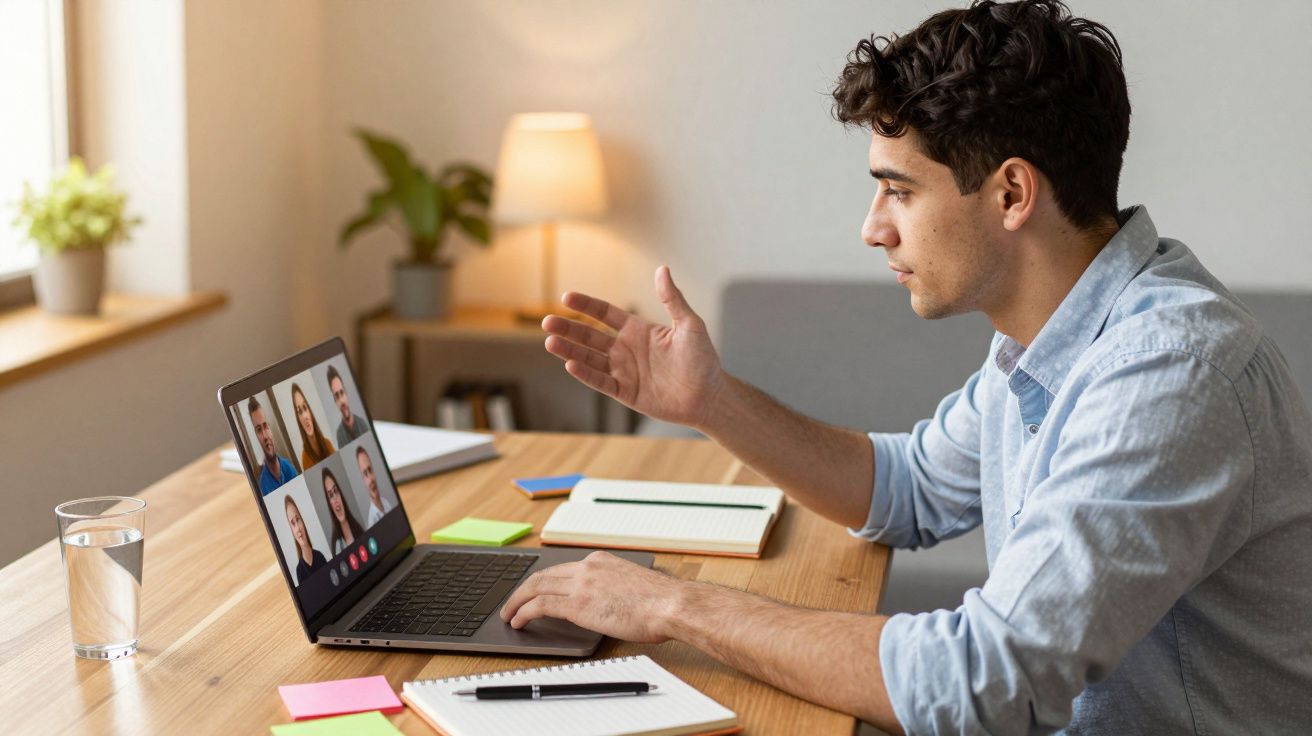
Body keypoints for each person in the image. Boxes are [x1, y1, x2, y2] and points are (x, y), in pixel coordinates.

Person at [498, 2, 1312, 733]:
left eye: (898, 191)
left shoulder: (1167, 374)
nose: (873, 228)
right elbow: (907, 488)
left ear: (1011, 193)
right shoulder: (1053, 338)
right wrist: (710, 400)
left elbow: (985, 682)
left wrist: (673, 604)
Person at [248, 396, 299, 496]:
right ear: (256, 437)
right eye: (259, 430)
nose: (265, 436)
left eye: (265, 426)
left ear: (270, 429)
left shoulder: (289, 468)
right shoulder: (263, 485)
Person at [290, 382, 335, 469]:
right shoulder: (305, 459)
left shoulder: (328, 444)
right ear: (298, 420)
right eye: (299, 412)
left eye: (305, 408)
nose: (304, 416)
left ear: (310, 411)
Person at [321, 467, 364, 555]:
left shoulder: (358, 528)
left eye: (336, 491)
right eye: (330, 495)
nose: (335, 499)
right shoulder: (336, 546)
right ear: (329, 504)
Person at [284, 495, 326, 585]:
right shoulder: (299, 571)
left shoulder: (320, 557)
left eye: (298, 519)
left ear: (303, 521)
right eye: (293, 523)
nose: (298, 528)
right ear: (291, 531)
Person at [327, 365, 368, 447]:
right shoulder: (339, 435)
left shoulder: (363, 424)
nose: (341, 401)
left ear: (346, 393)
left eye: (342, 393)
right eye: (337, 396)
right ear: (335, 401)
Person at [356, 446, 392, 526]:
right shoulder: (371, 523)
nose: (370, 479)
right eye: (365, 474)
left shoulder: (386, 503)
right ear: (363, 480)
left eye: (370, 470)